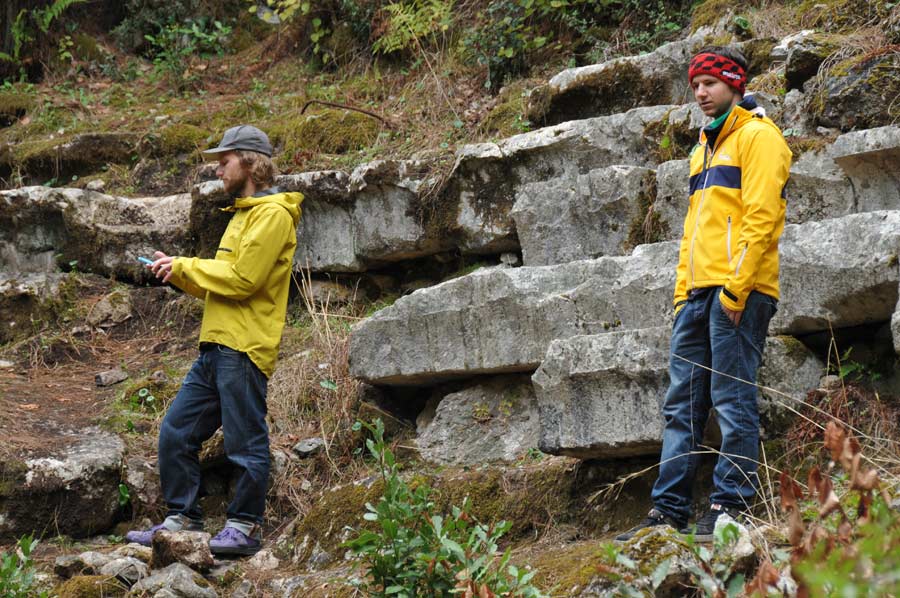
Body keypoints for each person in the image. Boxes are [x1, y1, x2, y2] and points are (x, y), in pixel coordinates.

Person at [616, 47, 791, 543]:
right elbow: (691, 233)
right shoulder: (703, 149)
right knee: (681, 407)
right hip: (696, 296)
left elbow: (762, 220)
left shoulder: (760, 137)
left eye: (710, 83)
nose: (700, 93)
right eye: (695, 85)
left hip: (739, 292)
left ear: (735, 84)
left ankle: (730, 507)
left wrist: (735, 292)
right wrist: (681, 297)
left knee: (732, 400)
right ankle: (668, 512)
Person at [125, 125, 303, 555]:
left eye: (225, 161)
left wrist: (186, 265)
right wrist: (175, 271)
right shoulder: (242, 214)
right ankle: (183, 518)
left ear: (251, 163)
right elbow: (220, 285)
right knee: (176, 432)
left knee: (245, 442)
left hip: (244, 348)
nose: (218, 170)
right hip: (216, 346)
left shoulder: (273, 215)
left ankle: (244, 526)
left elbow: (243, 280)